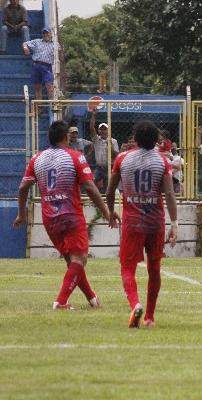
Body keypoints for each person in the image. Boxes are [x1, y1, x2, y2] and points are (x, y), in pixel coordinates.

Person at [13, 121, 115, 310]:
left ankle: (92, 298)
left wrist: (21, 214)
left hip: (49, 218)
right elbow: (91, 188)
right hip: (71, 215)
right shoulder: (75, 156)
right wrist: (107, 212)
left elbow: (22, 188)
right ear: (65, 137)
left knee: (72, 261)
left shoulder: (37, 159)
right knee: (79, 259)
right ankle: (60, 302)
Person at [106, 120, 178, 328]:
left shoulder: (122, 159)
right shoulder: (162, 162)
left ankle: (135, 304)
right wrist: (174, 224)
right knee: (154, 269)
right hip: (155, 223)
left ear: (135, 138)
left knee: (127, 268)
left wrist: (111, 211)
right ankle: (149, 317)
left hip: (132, 223)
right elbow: (170, 194)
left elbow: (110, 191)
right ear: (156, 140)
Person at [22, 27, 57, 100]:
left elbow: (60, 53)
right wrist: (25, 48)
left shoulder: (55, 44)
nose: (45, 34)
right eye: (44, 33)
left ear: (51, 34)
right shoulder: (37, 41)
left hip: (47, 66)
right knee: (37, 87)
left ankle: (52, 105)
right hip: (36, 65)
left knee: (49, 85)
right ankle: (39, 107)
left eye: (47, 33)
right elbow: (25, 43)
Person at [89, 110, 119, 193]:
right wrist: (93, 115)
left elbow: (116, 155)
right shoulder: (96, 140)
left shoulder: (113, 141)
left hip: (109, 167)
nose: (103, 131)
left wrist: (110, 147)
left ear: (108, 131)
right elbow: (91, 128)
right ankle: (93, 199)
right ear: (98, 131)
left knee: (108, 187)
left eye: (105, 129)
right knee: (91, 183)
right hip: (99, 167)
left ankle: (106, 202)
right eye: (101, 129)